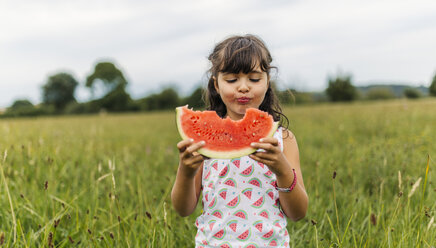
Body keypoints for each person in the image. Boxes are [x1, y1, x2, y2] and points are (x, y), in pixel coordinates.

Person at [171, 34, 308, 247]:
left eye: (254, 79)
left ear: (267, 82)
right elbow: (183, 209)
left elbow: (298, 213)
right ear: (216, 84)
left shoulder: (283, 140)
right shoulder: (202, 142)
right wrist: (186, 172)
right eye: (232, 80)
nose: (243, 87)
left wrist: (282, 170)